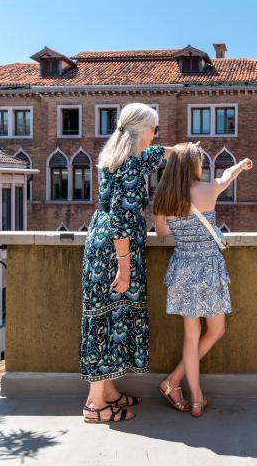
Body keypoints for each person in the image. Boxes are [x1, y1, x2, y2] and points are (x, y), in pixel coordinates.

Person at [80, 103, 173, 423]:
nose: (155, 135)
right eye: (154, 129)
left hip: (103, 246)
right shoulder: (129, 167)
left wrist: (185, 150)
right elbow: (120, 220)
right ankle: (95, 405)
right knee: (104, 320)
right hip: (115, 252)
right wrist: (124, 266)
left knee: (111, 314)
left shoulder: (119, 157)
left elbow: (159, 154)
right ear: (141, 131)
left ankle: (108, 392)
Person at [153, 142, 253, 417]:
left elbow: (161, 233)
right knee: (215, 331)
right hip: (208, 267)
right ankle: (176, 384)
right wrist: (241, 165)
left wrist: (184, 233)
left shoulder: (163, 198)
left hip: (182, 267)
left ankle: (189, 395)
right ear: (194, 166)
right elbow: (226, 177)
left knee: (190, 336)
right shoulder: (208, 190)